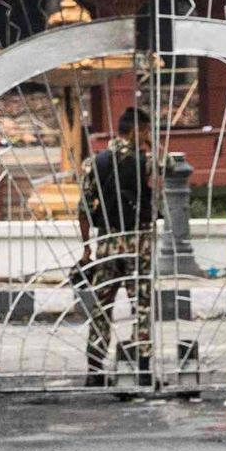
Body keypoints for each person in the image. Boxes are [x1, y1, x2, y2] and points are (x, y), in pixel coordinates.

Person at [77, 109, 158, 389]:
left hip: (108, 242)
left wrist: (87, 248)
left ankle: (95, 369)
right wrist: (151, 143)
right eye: (146, 131)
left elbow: (84, 209)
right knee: (143, 306)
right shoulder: (146, 161)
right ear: (138, 131)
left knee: (101, 306)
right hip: (139, 243)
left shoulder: (94, 162)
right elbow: (170, 166)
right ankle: (142, 367)